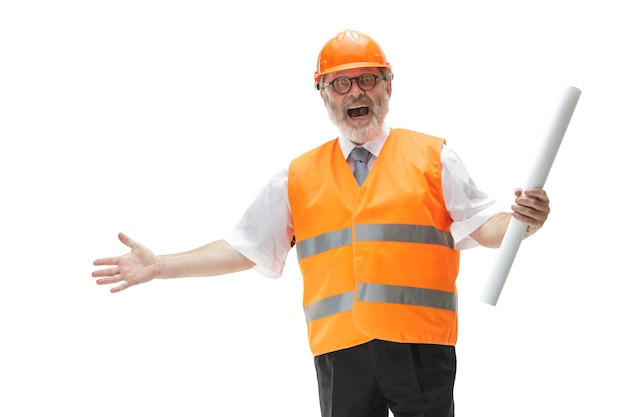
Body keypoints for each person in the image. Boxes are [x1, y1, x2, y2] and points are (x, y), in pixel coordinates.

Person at [92, 29, 551, 417]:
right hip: (339, 351)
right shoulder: (296, 177)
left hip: (420, 346)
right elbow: (242, 248)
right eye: (340, 84)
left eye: (367, 79)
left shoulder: (434, 157)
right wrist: (161, 267)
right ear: (323, 94)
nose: (356, 92)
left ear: (388, 86)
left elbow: (486, 226)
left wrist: (523, 222)